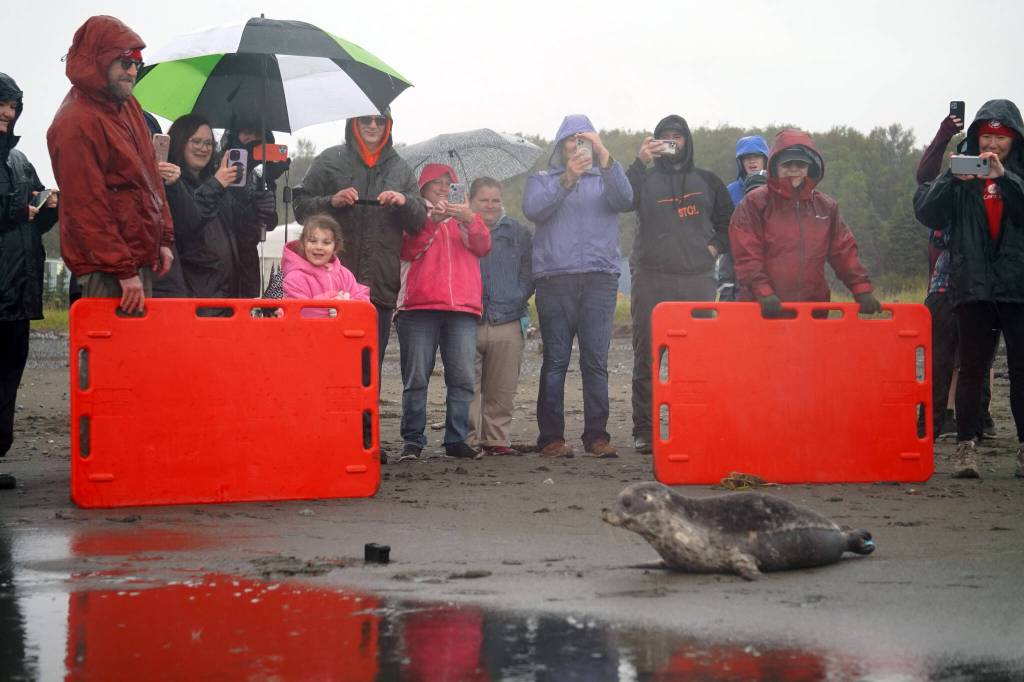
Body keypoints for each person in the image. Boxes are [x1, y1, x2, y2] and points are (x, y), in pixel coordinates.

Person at [914, 99, 1024, 479]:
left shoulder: (1019, 174)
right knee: (972, 367)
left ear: (1014, 141)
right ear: (976, 137)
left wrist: (1005, 178)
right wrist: (951, 178)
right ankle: (965, 448)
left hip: (1016, 285)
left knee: (1021, 369)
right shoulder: (961, 175)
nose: (993, 145)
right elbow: (926, 211)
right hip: (972, 284)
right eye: (987, 136)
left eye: (1001, 138)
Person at [522, 115, 633, 459]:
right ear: (560, 146)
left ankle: (597, 437)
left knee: (596, 361)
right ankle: (551, 438)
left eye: (583, 138)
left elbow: (626, 199)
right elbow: (534, 210)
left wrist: (604, 155)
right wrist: (568, 179)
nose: (577, 144)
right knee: (555, 360)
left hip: (600, 277)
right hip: (555, 278)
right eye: (571, 139)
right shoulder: (542, 179)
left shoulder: (607, 178)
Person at [47, 15, 174, 314]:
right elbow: (86, 207)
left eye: (138, 64)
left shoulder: (128, 106)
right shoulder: (75, 122)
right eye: (125, 63)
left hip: (134, 260)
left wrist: (164, 238)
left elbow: (149, 180)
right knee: (105, 356)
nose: (132, 72)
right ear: (101, 61)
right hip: (107, 270)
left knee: (137, 356)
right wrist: (123, 270)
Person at [626, 115, 733, 454]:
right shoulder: (645, 178)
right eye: (664, 137)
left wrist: (713, 248)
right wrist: (640, 161)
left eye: (677, 136)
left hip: (697, 280)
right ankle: (644, 429)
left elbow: (729, 223)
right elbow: (622, 200)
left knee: (696, 358)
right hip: (651, 277)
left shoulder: (708, 180)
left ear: (687, 141)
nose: (671, 141)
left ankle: (693, 423)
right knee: (647, 357)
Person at [293, 111, 426, 366]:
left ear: (388, 126)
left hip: (380, 286)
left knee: (368, 365)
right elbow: (300, 206)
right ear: (353, 122)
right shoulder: (329, 159)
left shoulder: (401, 168)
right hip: (329, 287)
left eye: (380, 120)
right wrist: (331, 201)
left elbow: (419, 221)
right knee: (325, 363)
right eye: (366, 119)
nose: (373, 125)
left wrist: (405, 202)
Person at [395, 164, 491, 461]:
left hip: (462, 307)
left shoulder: (466, 216)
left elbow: (483, 246)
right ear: (421, 187)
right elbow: (408, 251)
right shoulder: (412, 216)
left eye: (448, 182)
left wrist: (470, 220)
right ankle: (413, 440)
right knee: (416, 378)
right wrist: (432, 222)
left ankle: (456, 439)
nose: (442, 187)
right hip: (418, 305)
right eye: (435, 182)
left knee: (462, 377)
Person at [729, 129, 881, 316]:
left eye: (800, 164)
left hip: (811, 311)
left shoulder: (827, 207)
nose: (794, 169)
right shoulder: (754, 203)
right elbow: (746, 254)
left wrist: (861, 289)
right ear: (775, 165)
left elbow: (844, 251)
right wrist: (763, 292)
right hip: (763, 309)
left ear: (810, 167)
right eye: (787, 163)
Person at [1, 73, 59, 490]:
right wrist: (18, 212)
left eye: (13, 106)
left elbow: (35, 223)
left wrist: (50, 207)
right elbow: (17, 216)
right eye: (2, 104)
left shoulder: (21, 162)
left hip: (19, 292)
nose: (8, 112)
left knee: (9, 377)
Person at [160, 113, 276, 302]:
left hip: (228, 291)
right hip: (196, 292)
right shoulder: (170, 184)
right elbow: (188, 223)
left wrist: (258, 209)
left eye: (208, 143)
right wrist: (216, 184)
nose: (203, 149)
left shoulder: (216, 183)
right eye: (196, 141)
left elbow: (241, 233)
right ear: (180, 142)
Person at [467, 177, 533, 456]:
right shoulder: (459, 228)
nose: (491, 205)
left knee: (502, 388)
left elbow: (530, 271)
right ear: (471, 201)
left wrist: (517, 295)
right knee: (467, 387)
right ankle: (467, 441)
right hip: (468, 319)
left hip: (508, 317)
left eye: (495, 200)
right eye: (484, 200)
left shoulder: (518, 231)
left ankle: (495, 439)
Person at [219, 116, 287, 297]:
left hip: (248, 261)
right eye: (246, 132)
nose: (252, 138)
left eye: (258, 134)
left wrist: (270, 182)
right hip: (221, 263)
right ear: (234, 135)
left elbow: (269, 223)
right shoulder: (217, 168)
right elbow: (226, 218)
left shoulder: (258, 174)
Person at [717, 135, 770, 301]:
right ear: (740, 162)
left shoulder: (779, 188)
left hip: (770, 254)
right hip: (735, 257)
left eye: (757, 156)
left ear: (766, 160)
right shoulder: (731, 191)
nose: (752, 161)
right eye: (747, 158)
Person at [281, 213, 370, 308]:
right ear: (303, 244)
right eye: (312, 241)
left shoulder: (345, 275)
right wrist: (333, 307)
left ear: (335, 247)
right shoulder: (294, 278)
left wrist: (349, 304)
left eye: (326, 243)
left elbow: (362, 299)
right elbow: (299, 312)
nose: (319, 247)